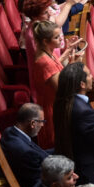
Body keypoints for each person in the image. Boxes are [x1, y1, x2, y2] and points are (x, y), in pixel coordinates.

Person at [53, 62, 94, 186]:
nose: (92, 77)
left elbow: (83, 122)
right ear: (82, 84)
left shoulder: (65, 100)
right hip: (86, 170)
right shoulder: (81, 109)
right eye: (89, 75)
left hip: (73, 158)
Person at [32, 19, 84, 149]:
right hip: (54, 111)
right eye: (56, 37)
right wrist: (75, 65)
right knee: (59, 146)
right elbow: (63, 89)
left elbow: (56, 65)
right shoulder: (45, 62)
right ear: (45, 41)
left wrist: (68, 51)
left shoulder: (46, 53)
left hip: (53, 105)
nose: (61, 39)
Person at [0, 102, 50, 187]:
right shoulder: (26, 153)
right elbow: (40, 185)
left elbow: (38, 153)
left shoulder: (10, 131)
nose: (42, 125)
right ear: (33, 123)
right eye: (42, 121)